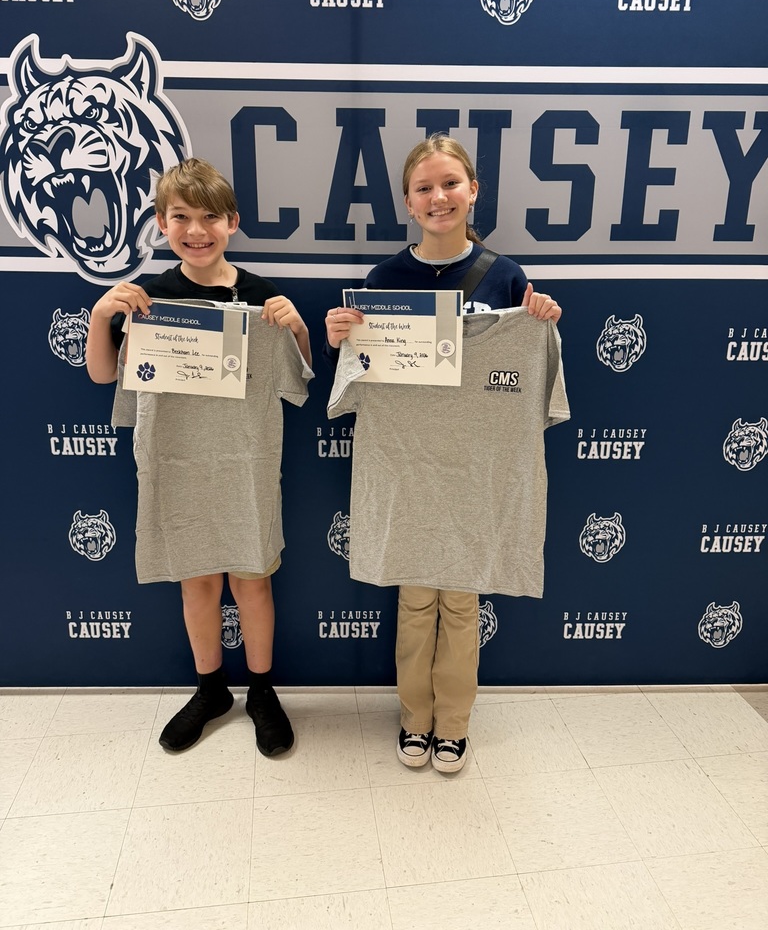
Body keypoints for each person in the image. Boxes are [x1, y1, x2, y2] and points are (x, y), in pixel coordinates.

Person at [324, 134, 562, 773]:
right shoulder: (384, 279)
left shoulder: (507, 277)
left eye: (450, 183)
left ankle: (453, 725)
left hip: (473, 473)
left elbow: (527, 382)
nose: (439, 197)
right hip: (408, 468)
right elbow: (360, 377)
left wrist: (538, 318)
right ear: (408, 200)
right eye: (425, 187)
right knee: (414, 599)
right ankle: (414, 718)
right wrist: (339, 337)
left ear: (473, 190)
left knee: (461, 602)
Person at [86, 158, 313, 755]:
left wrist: (296, 329)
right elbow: (105, 373)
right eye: (181, 217)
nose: (196, 230)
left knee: (253, 584)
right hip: (176, 463)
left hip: (247, 464)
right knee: (197, 585)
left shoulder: (261, 297)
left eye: (210, 217)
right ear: (161, 224)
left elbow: (299, 381)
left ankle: (261, 690)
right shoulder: (148, 298)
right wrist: (99, 315)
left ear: (231, 223)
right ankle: (211, 687)